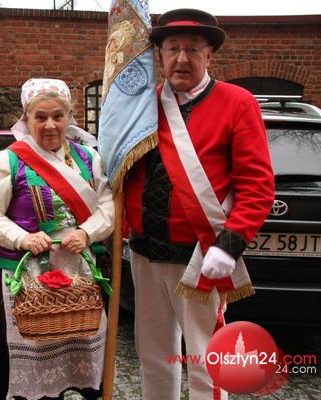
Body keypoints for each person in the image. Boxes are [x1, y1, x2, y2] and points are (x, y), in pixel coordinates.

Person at [124, 8, 275, 399]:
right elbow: (125, 170)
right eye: (172, 48)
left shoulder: (237, 102)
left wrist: (229, 245)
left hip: (200, 255)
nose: (181, 58)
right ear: (160, 55)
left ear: (209, 55)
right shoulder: (144, 104)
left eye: (192, 49)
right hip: (144, 253)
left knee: (206, 361)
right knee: (153, 356)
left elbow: (257, 186)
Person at [0, 78, 115, 400]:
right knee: (33, 351)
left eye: (57, 116)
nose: (50, 125)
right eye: (40, 117)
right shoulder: (8, 160)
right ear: (27, 119)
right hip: (23, 276)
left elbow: (108, 208)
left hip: (79, 273)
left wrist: (86, 232)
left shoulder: (89, 159)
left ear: (69, 118)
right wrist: (21, 237)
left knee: (75, 342)